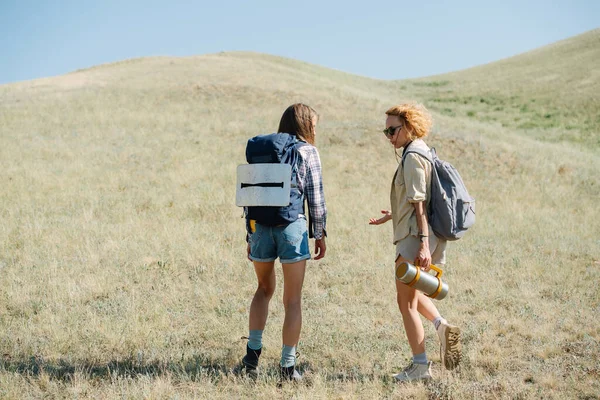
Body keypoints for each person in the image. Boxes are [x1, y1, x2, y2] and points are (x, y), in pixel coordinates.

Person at [369, 103, 461, 382]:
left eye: (392, 129)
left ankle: (421, 366)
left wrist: (421, 244)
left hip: (414, 237)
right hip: (420, 233)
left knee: (405, 303)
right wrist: (393, 215)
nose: (388, 135)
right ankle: (441, 325)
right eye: (385, 130)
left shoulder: (412, 157)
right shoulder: (423, 151)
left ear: (408, 127)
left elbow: (419, 205)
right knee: (413, 294)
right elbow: (415, 202)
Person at [241, 103, 327, 382]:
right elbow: (315, 198)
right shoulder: (308, 152)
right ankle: (287, 368)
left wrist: (249, 234)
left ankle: (251, 358)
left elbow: (250, 194)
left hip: (261, 229)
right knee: (292, 300)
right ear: (306, 125)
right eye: (314, 124)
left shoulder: (263, 150)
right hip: (292, 229)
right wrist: (320, 233)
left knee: (263, 289)